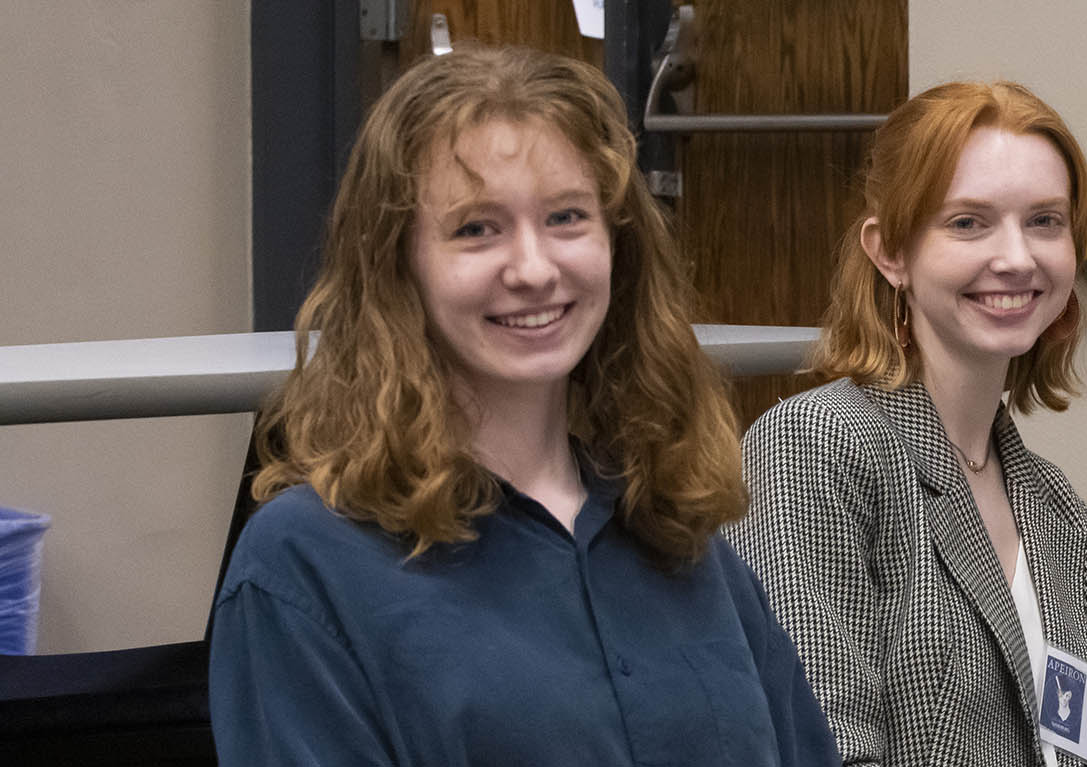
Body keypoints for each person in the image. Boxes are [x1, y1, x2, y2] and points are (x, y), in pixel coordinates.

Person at [209, 47, 837, 766]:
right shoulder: (305, 568)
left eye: (567, 217)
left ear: (616, 246)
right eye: (476, 228)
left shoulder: (678, 530)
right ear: (397, 265)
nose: (534, 269)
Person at [726, 81, 1087, 767]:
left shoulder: (1057, 506)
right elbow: (819, 748)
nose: (1016, 257)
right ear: (890, 251)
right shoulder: (817, 447)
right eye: (968, 222)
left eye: (1045, 221)